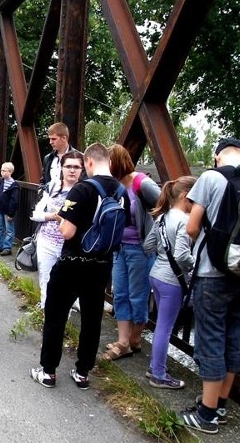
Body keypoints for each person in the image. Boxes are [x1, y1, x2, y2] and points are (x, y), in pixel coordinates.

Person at [178, 137, 240, 433]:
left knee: (210, 339)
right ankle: (219, 405)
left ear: (216, 156)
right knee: (233, 339)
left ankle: (206, 415)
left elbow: (192, 226)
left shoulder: (211, 177)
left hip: (213, 274)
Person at [31, 143, 124, 390]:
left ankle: (48, 371)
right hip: (102, 265)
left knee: (56, 314)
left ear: (89, 163)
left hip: (73, 263)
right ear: (109, 162)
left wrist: (62, 219)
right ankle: (82, 373)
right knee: (92, 319)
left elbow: (67, 230)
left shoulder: (82, 190)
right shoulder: (121, 191)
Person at [102, 144, 160, 361]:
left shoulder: (141, 183)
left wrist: (153, 238)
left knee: (138, 296)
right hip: (119, 248)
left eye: (108, 162)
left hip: (139, 249)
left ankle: (133, 340)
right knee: (121, 294)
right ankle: (124, 340)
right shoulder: (115, 185)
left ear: (117, 162)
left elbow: (164, 206)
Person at [142, 175, 196, 390]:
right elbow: (183, 256)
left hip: (156, 275)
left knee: (161, 326)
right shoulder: (184, 221)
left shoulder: (162, 217)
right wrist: (196, 266)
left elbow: (148, 246)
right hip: (172, 281)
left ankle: (155, 366)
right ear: (185, 197)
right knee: (165, 328)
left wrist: (164, 255)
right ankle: (159, 375)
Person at [30, 150, 85, 308]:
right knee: (45, 280)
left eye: (76, 167)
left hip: (71, 246)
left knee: (67, 285)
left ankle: (62, 322)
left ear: (82, 169)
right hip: (47, 241)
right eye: (68, 166)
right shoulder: (52, 187)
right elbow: (35, 214)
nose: (72, 170)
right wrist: (54, 216)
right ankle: (46, 313)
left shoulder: (85, 191)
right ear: (62, 168)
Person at [0, 162, 19, 256]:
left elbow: (14, 201)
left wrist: (11, 214)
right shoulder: (0, 181)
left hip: (8, 212)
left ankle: (7, 248)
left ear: (10, 172)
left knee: (9, 230)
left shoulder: (15, 186)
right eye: (1, 170)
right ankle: (0, 246)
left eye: (4, 170)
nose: (1, 172)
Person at [40, 122, 78, 189]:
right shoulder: (48, 158)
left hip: (70, 198)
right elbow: (43, 180)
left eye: (53, 139)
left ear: (64, 138)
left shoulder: (79, 158)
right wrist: (41, 191)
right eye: (50, 139)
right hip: (50, 198)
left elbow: (83, 182)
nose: (50, 142)